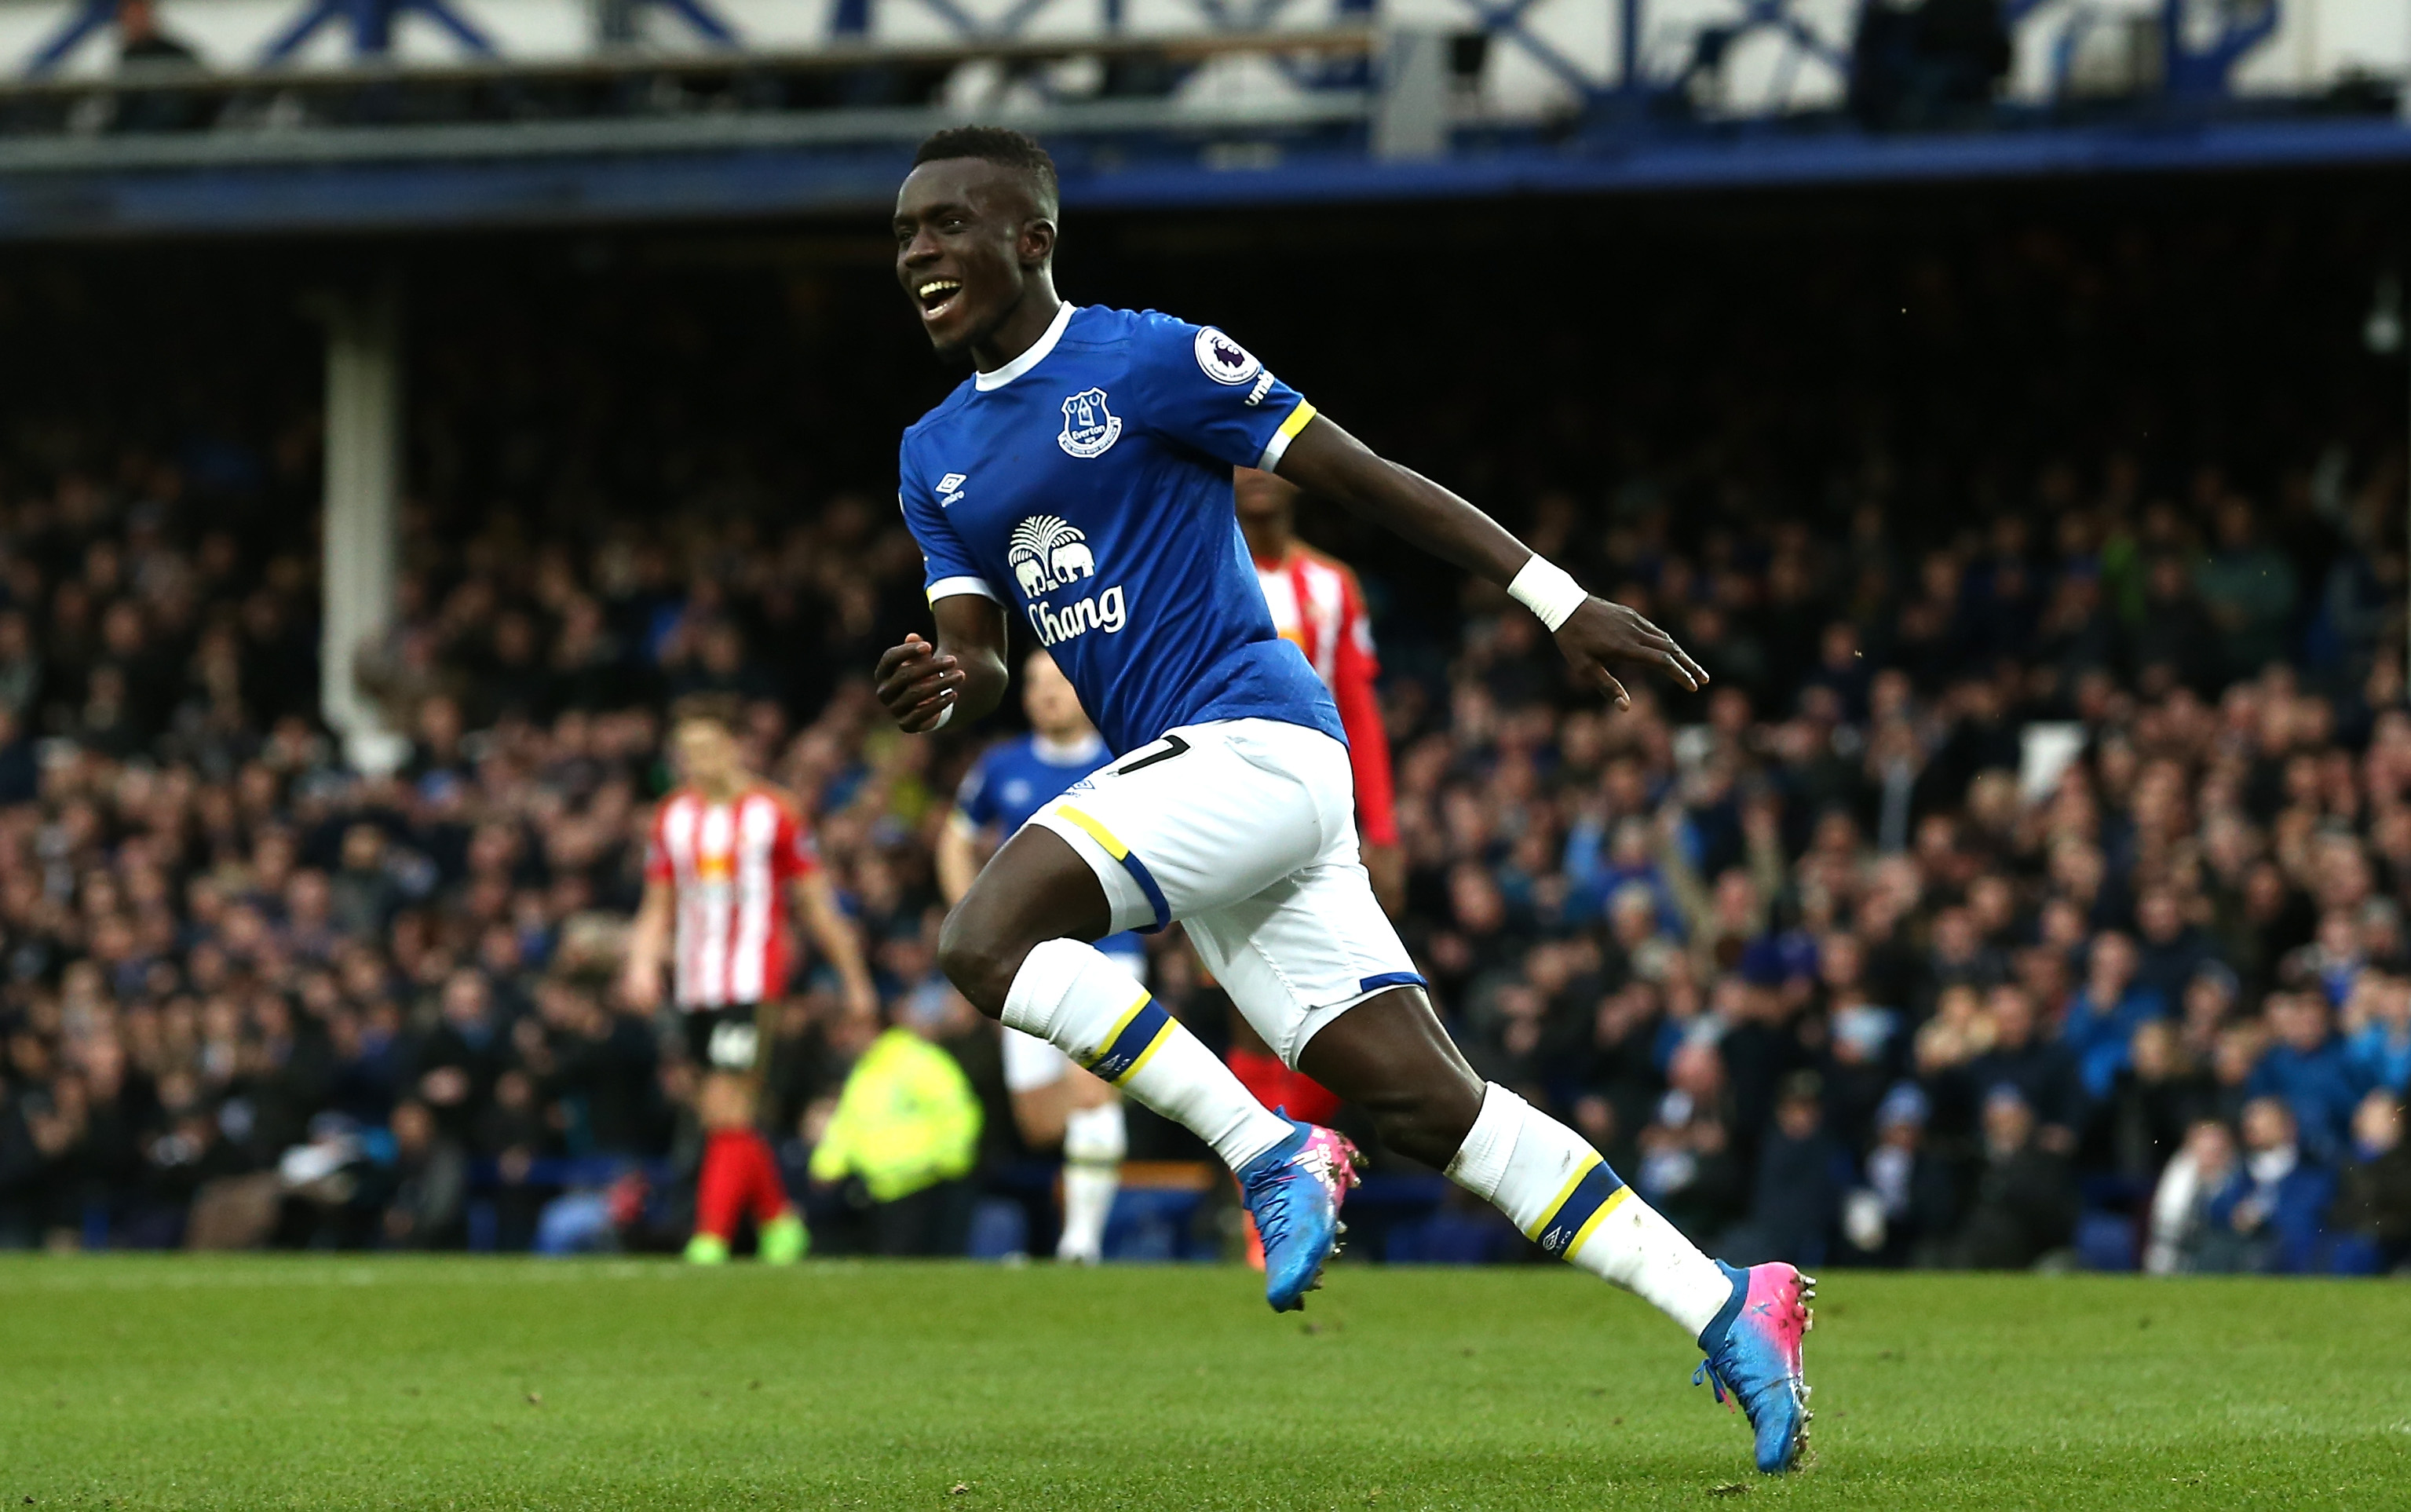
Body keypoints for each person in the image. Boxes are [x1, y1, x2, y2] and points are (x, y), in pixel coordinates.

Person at [875, 126, 1810, 1474]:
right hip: (1224, 806)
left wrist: (1557, 599)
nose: (919, 253)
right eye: (905, 235)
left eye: (950, 224)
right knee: (1435, 1109)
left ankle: (1270, 1153)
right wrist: (942, 681)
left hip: (1257, 741)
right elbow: (979, 644)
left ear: (1033, 238)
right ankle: (1732, 1301)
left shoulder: (1147, 358)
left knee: (983, 941)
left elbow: (1364, 477)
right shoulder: (934, 454)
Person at [621, 697, 878, 1265]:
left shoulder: (775, 812)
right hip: (694, 982)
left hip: (751, 980)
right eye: (687, 750)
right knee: (719, 1112)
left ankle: (709, 1239)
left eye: (708, 746)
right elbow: (656, 903)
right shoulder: (671, 817)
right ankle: (780, 1223)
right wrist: (641, 962)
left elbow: (816, 904)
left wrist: (854, 981)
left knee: (728, 1104)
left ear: (735, 746)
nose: (697, 759)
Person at [936, 651, 1137, 1263]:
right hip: (1022, 956)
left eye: (1057, 683)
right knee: (1041, 1121)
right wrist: (973, 919)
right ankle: (1077, 1228)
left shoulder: (1122, 759)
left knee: (1092, 1090)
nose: (1046, 695)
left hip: (1111, 950)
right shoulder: (1001, 767)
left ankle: (1081, 1245)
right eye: (1034, 685)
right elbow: (954, 838)